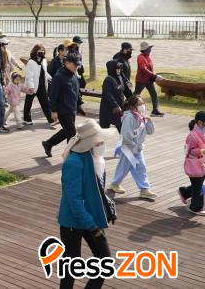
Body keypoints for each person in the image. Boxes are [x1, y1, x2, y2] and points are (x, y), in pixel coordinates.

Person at [57, 119, 113, 289]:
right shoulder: (73, 162)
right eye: (99, 141)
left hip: (91, 219)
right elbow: (74, 199)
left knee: (105, 262)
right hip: (73, 223)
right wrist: (92, 225)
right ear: (89, 143)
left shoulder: (96, 159)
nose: (102, 144)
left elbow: (96, 190)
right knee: (70, 269)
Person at [107, 95, 157, 200]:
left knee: (136, 167)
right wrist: (134, 147)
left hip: (137, 148)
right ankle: (117, 184)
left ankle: (142, 189)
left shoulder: (141, 117)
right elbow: (127, 136)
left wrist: (150, 120)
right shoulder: (129, 117)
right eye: (139, 104)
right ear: (132, 106)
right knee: (129, 167)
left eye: (143, 103)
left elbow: (150, 131)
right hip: (128, 148)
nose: (142, 106)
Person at [42, 54, 81, 158]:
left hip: (72, 108)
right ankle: (71, 157)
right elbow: (53, 95)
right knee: (72, 134)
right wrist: (53, 110)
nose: (76, 67)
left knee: (67, 131)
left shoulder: (74, 75)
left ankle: (48, 143)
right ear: (67, 63)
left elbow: (77, 90)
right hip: (63, 110)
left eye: (78, 65)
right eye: (75, 64)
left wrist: (79, 104)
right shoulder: (58, 76)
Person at [179, 111, 205, 216]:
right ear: (200, 122)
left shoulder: (204, 132)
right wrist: (203, 151)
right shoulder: (192, 136)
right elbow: (190, 151)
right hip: (194, 164)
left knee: (198, 185)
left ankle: (185, 192)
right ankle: (196, 207)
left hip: (201, 163)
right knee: (199, 186)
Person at [24, 44, 54, 125]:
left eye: (43, 51)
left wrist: (51, 79)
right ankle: (27, 119)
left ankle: (51, 120)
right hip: (32, 86)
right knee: (28, 103)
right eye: (39, 51)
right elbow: (29, 75)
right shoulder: (31, 62)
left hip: (41, 86)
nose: (41, 52)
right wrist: (31, 86)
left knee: (45, 103)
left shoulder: (44, 61)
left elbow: (45, 72)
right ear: (35, 51)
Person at [135, 41, 164, 117]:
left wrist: (154, 77)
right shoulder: (140, 57)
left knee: (154, 94)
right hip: (141, 80)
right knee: (135, 95)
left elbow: (150, 69)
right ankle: (125, 108)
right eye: (149, 48)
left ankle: (155, 111)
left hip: (149, 80)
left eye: (150, 48)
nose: (150, 49)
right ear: (145, 49)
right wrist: (155, 75)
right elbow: (143, 69)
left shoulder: (148, 57)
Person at [99, 60, 126, 132]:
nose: (119, 70)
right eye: (117, 69)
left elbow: (123, 90)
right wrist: (115, 105)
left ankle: (125, 139)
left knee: (122, 128)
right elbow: (108, 95)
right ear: (112, 69)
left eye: (119, 69)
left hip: (119, 108)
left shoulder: (119, 78)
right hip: (108, 109)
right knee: (104, 130)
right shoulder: (108, 80)